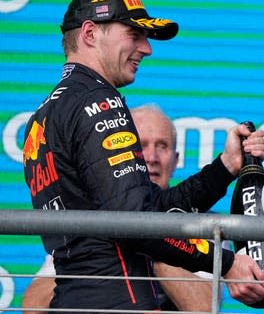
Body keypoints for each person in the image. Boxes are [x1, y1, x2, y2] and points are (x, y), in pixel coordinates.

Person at [22, 0, 264, 312]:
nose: (147, 48)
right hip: (120, 302)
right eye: (133, 35)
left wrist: (224, 169)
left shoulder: (42, 117)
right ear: (91, 34)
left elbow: (147, 210)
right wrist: (225, 262)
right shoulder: (99, 100)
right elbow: (137, 222)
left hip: (74, 299)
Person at [22, 104, 223, 313]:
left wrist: (150, 244)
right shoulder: (92, 218)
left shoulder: (202, 223)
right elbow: (32, 306)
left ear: (176, 160)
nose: (151, 158)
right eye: (141, 146)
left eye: (162, 146)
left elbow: (205, 308)